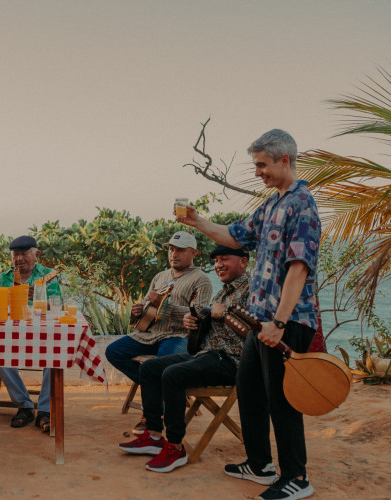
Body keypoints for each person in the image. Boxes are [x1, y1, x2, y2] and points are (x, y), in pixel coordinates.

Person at [179, 129, 320, 500]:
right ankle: (260, 465)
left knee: (282, 400)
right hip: (261, 322)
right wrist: (197, 222)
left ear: (284, 160)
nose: (258, 171)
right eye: (256, 164)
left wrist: (279, 322)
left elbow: (299, 268)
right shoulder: (272, 204)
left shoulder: (302, 204)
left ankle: (297, 478)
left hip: (284, 322)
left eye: (262, 164)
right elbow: (235, 234)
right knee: (250, 390)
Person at [118, 245, 250, 473]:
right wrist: (195, 323)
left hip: (232, 360)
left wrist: (225, 314)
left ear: (243, 262)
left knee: (172, 374)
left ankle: (176, 446)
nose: (218, 264)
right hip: (207, 353)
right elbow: (210, 322)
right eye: (217, 260)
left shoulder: (253, 290)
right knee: (149, 368)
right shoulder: (224, 291)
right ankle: (153, 434)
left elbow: (257, 331)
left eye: (224, 259)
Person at [105, 231, 212, 434]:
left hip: (179, 336)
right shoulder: (160, 276)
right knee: (113, 351)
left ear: (194, 253)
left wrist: (167, 306)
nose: (174, 254)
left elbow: (199, 315)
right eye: (171, 249)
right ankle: (158, 390)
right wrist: (138, 311)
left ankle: (151, 412)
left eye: (180, 250)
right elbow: (148, 309)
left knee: (162, 366)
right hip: (150, 334)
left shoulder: (201, 280)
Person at [0, 235, 61, 432]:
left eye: (24, 254)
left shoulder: (48, 276)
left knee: (55, 356)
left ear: (36, 254)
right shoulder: (3, 278)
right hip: (10, 339)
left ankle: (44, 410)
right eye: (15, 255)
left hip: (42, 338)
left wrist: (41, 298)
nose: (19, 259)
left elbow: (58, 306)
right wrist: (6, 300)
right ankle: (24, 406)